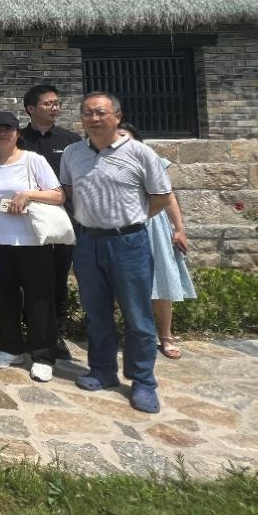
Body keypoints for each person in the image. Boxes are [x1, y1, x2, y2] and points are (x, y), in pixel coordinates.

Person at [60, 92, 172, 414]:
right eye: (88, 113)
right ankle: (102, 370)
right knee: (96, 313)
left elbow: (161, 197)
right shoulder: (72, 153)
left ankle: (143, 381)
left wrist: (131, 219)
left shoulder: (140, 152)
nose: (94, 118)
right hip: (87, 242)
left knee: (137, 316)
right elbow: (68, 191)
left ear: (117, 116)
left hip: (128, 243)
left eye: (100, 112)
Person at [0, 112, 65, 382]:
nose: (3, 134)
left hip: (32, 240)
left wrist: (28, 194)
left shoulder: (33, 160)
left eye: (8, 129)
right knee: (6, 297)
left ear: (18, 133)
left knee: (39, 298)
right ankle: (11, 347)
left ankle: (42, 355)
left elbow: (58, 195)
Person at [121, 123, 196, 360]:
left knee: (160, 280)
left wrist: (179, 229)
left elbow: (168, 196)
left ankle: (166, 335)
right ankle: (136, 334)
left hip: (154, 227)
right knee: (129, 284)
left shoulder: (152, 163)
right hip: (122, 228)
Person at [19, 84, 82, 360]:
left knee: (58, 279)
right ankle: (31, 332)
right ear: (31, 108)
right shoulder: (18, 140)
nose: (54, 108)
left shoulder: (71, 141)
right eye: (48, 103)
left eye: (57, 103)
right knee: (26, 280)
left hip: (61, 222)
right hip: (24, 222)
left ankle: (56, 335)